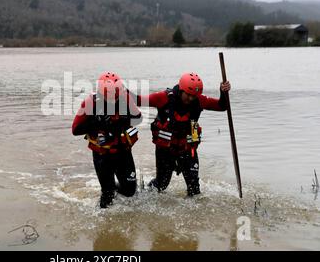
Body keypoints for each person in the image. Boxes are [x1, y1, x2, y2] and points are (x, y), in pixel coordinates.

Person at [130, 72, 230, 196]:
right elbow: (139, 100)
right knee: (161, 185)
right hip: (166, 150)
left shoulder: (200, 100)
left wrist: (223, 92)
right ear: (181, 89)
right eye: (188, 95)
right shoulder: (163, 98)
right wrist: (122, 91)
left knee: (194, 189)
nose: (191, 99)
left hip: (187, 149)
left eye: (194, 96)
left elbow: (222, 106)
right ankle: (142, 194)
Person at [72, 72, 142, 208]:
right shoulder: (90, 103)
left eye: (116, 98)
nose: (114, 101)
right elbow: (75, 130)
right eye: (110, 98)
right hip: (102, 154)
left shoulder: (125, 97)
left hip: (123, 152)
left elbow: (138, 118)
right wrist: (96, 123)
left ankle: (118, 189)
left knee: (130, 191)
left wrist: (121, 120)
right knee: (107, 195)